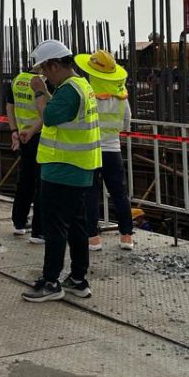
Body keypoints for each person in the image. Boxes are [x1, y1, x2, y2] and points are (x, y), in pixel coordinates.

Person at [21, 39, 101, 303]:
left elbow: (51, 115)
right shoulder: (82, 86)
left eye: (45, 69)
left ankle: (51, 281)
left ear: (55, 65)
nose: (43, 75)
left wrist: (40, 92)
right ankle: (78, 279)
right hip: (79, 169)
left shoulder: (68, 90)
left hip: (63, 169)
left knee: (55, 228)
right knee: (77, 226)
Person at [78, 49, 134, 251]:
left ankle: (93, 238)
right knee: (119, 193)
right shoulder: (121, 96)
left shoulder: (87, 93)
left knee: (91, 194)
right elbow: (127, 123)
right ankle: (126, 236)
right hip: (113, 150)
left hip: (91, 150)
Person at [7, 65, 45, 241]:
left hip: (22, 136)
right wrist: (32, 131)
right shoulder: (42, 82)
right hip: (39, 136)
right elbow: (46, 113)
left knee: (24, 181)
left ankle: (19, 223)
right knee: (41, 183)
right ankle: (39, 231)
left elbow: (10, 106)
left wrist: (14, 130)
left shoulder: (16, 80)